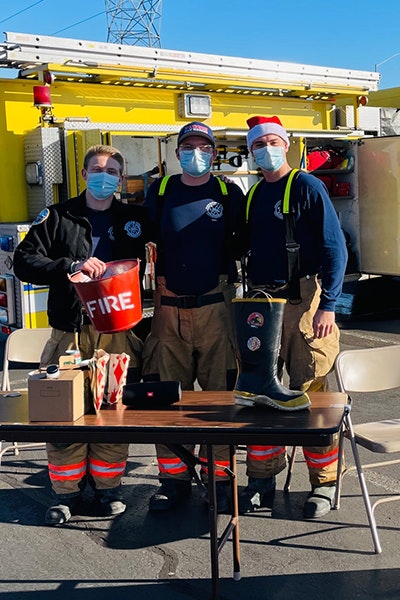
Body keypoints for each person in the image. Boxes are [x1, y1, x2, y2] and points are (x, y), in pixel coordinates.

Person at [13, 144, 152, 526]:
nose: (103, 175)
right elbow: (23, 261)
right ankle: (66, 493)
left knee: (112, 410)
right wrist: (69, 265)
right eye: (96, 169)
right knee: (64, 415)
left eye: (111, 170)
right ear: (84, 174)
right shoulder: (58, 217)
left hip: (118, 333)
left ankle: (109, 488)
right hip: (70, 333)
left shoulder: (134, 219)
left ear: (121, 179)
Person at [237, 116, 347, 518]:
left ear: (286, 145)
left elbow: (336, 249)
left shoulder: (307, 186)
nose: (266, 148)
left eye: (272, 141)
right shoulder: (253, 195)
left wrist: (328, 306)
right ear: (250, 151)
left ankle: (324, 483)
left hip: (305, 302)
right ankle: (261, 479)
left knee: (313, 394)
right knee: (261, 394)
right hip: (262, 304)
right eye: (258, 144)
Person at [142, 121, 244, 513]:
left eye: (203, 147)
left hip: (216, 308)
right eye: (188, 146)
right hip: (168, 310)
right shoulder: (161, 190)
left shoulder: (228, 193)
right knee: (168, 399)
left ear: (214, 152)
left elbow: (245, 240)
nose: (195, 153)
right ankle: (173, 480)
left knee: (219, 399)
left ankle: (219, 480)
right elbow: (136, 233)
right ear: (177, 152)